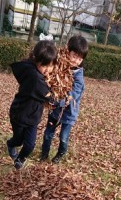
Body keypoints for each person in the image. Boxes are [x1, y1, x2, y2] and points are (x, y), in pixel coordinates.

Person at [7, 40, 57, 169]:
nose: (48, 70)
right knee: (18, 140)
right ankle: (10, 144)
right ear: (36, 61)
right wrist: (58, 100)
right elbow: (49, 97)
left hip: (33, 116)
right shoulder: (34, 77)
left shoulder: (36, 71)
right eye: (44, 66)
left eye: (50, 66)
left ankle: (20, 159)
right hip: (20, 114)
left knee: (30, 144)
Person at [40, 35, 89, 164]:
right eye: (74, 56)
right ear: (67, 51)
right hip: (55, 110)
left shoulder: (78, 77)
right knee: (48, 134)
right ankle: (44, 155)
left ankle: (60, 154)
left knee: (63, 137)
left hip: (69, 113)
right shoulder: (58, 65)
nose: (76, 60)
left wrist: (58, 100)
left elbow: (73, 95)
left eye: (80, 58)